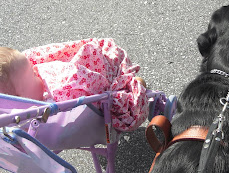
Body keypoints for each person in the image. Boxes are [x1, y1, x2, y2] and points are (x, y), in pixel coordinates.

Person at [0, 39, 152, 132]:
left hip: (91, 73)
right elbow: (86, 85)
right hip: (96, 93)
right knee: (132, 89)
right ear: (21, 97)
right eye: (32, 76)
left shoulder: (11, 124)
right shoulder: (55, 102)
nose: (36, 71)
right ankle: (137, 87)